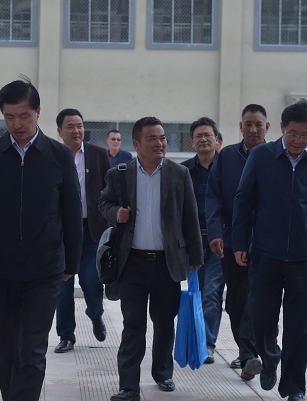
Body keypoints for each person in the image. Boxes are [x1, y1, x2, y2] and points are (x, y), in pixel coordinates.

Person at [0, 78, 82, 401]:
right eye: (9, 117)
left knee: (33, 348)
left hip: (46, 268)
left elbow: (71, 211)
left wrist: (72, 261)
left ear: (38, 112)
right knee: (9, 346)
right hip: (2, 269)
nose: (17, 124)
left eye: (24, 116)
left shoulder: (58, 155)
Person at [232, 99, 307, 401]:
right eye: (293, 134)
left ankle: (294, 388)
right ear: (280, 128)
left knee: (298, 326)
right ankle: (269, 358)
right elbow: (244, 200)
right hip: (266, 253)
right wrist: (241, 243)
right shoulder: (262, 156)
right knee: (263, 318)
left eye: (306, 135)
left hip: (305, 257)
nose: (299, 141)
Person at [99, 116, 203, 401]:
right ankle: (128, 386)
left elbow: (190, 216)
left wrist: (196, 256)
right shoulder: (120, 174)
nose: (160, 143)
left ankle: (163, 372)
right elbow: (103, 201)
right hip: (131, 263)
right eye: (152, 139)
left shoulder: (179, 174)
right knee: (133, 325)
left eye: (163, 138)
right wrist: (115, 213)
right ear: (137, 144)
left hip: (166, 263)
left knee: (165, 322)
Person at [205, 104, 269, 379]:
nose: (253, 129)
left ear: (267, 127)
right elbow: (213, 197)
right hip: (233, 242)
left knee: (258, 301)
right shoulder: (227, 156)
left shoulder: (274, 156)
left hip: (268, 243)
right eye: (248, 124)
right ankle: (248, 354)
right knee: (235, 302)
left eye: (258, 124)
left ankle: (250, 354)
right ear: (240, 126)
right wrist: (216, 232)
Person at [54, 108, 110, 352]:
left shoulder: (99, 154)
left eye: (79, 126)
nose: (76, 131)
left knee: (90, 280)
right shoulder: (53, 155)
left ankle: (95, 314)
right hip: (62, 231)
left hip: (92, 229)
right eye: (70, 126)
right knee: (62, 287)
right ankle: (66, 335)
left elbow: (110, 190)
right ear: (60, 131)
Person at [181, 117, 224, 365]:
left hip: (220, 243)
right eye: (198, 136)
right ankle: (196, 339)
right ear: (192, 142)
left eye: (208, 135)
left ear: (216, 139)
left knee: (212, 293)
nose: (203, 139)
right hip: (194, 243)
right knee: (196, 292)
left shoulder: (228, 167)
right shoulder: (183, 171)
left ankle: (207, 344)